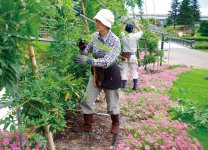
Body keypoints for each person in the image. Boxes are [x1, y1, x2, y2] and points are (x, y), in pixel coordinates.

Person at [73, 9, 121, 134]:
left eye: (99, 21)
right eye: (96, 20)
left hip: (110, 73)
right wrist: (82, 47)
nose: (96, 23)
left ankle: (116, 123)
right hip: (96, 73)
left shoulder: (115, 41)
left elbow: (106, 61)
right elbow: (85, 53)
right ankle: (87, 125)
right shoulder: (94, 36)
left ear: (107, 23)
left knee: (112, 102)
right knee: (87, 99)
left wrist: (89, 61)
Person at [120, 19, 143, 90]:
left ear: (126, 30)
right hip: (133, 56)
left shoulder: (123, 35)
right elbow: (141, 32)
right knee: (134, 70)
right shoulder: (134, 36)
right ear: (132, 30)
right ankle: (135, 86)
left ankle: (123, 86)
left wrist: (125, 22)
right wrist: (136, 25)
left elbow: (121, 30)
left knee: (124, 70)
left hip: (125, 56)